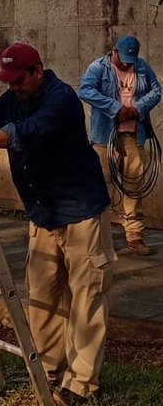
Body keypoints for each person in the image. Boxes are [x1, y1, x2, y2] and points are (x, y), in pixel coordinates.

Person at [0, 42, 115, 406]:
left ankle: (81, 383)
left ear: (37, 71)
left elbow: (25, 132)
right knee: (42, 296)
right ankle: (45, 365)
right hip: (43, 214)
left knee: (87, 297)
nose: (12, 87)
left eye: (19, 80)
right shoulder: (11, 99)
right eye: (8, 80)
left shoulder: (62, 100)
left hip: (81, 212)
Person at [79, 36, 161, 257]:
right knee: (100, 186)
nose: (126, 64)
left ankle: (135, 236)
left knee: (134, 186)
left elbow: (156, 91)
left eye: (129, 61)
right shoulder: (98, 67)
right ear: (114, 51)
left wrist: (137, 108)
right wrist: (115, 108)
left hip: (135, 135)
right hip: (105, 138)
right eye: (123, 59)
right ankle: (99, 238)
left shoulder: (142, 67)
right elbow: (85, 90)